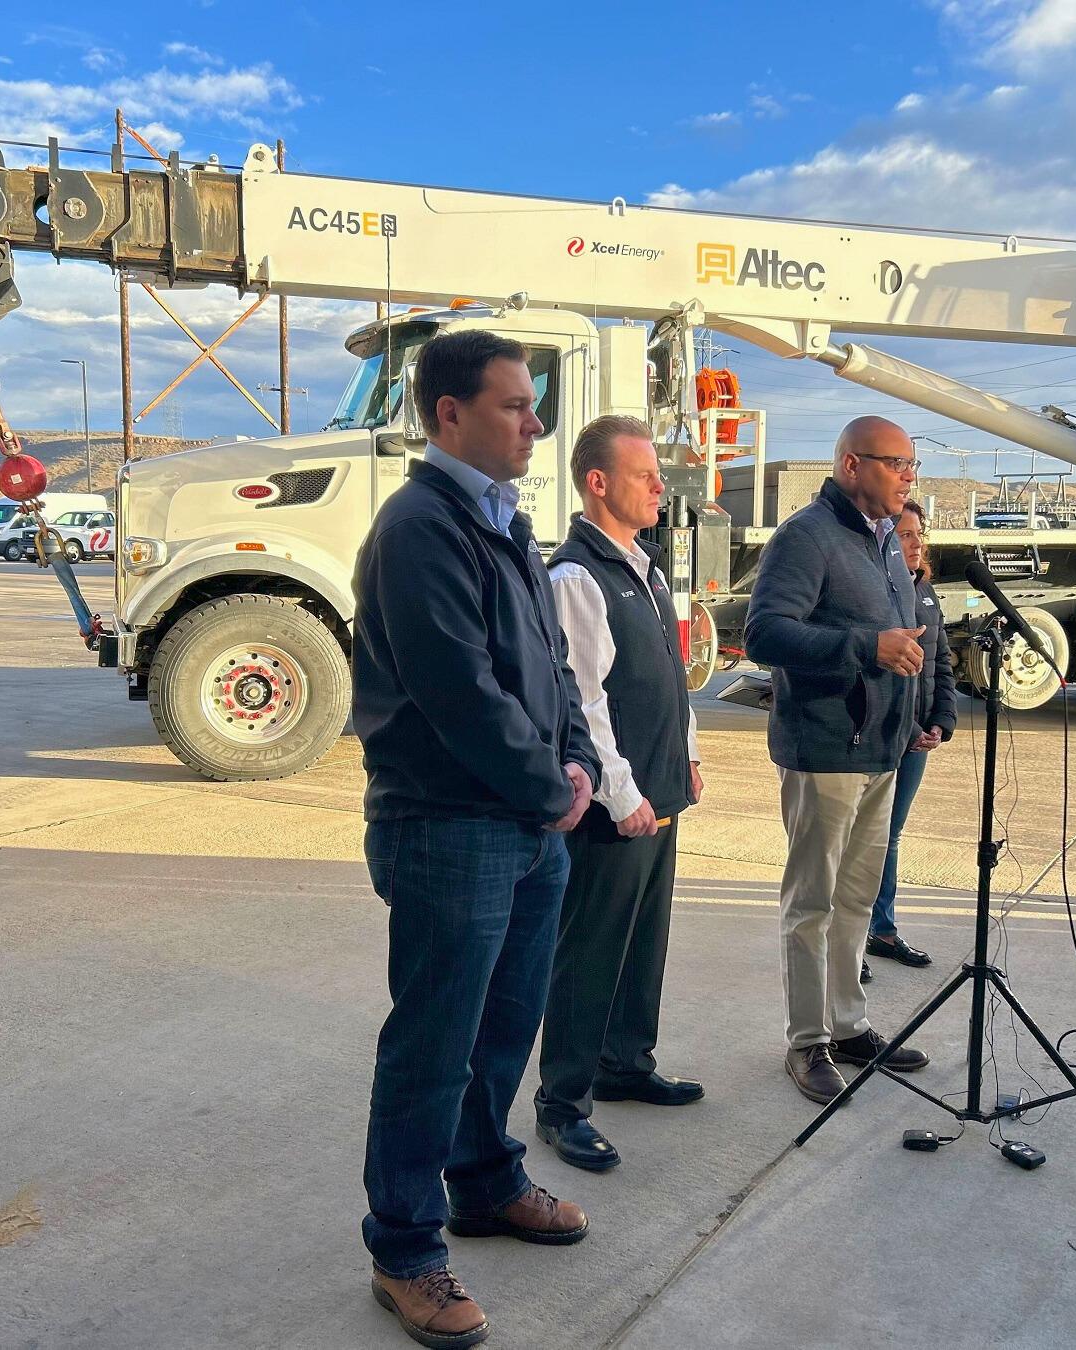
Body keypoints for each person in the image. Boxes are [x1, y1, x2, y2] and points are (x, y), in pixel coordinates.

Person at [352, 329, 602, 1350]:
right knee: (435, 1044)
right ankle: (405, 1252)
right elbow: (461, 692)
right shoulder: (421, 527)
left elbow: (549, 667)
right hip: (450, 824)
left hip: (523, 820)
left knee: (505, 1026)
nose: (535, 422)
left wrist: (575, 760)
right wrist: (552, 786)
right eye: (514, 405)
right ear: (447, 415)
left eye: (534, 404)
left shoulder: (503, 521)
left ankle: (485, 1183)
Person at [744, 416, 935, 1106]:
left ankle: (848, 1026)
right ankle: (807, 1042)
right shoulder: (807, 535)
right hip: (826, 748)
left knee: (856, 898)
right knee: (814, 902)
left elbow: (909, 634)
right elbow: (765, 633)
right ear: (852, 465)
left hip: (882, 748)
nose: (909, 477)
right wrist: (867, 647)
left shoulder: (887, 541)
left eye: (913, 466)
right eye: (897, 464)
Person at [535, 415, 705, 1173]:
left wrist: (688, 758)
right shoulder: (577, 576)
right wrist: (621, 791)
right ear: (598, 483)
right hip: (617, 805)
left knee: (644, 942)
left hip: (663, 787)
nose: (660, 487)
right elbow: (584, 701)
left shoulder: (646, 566)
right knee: (591, 950)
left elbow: (670, 678)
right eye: (646, 475)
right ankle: (562, 1103)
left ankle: (626, 1063)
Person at [867, 501, 956, 973]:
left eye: (919, 534)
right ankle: (847, 938)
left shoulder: (925, 592)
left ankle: (881, 929)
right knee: (862, 838)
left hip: (918, 738)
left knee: (891, 836)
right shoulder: (878, 595)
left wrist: (941, 721)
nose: (917, 543)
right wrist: (910, 727)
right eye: (904, 535)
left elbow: (940, 661)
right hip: (884, 735)